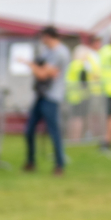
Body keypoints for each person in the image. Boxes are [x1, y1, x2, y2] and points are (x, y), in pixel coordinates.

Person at [24, 27, 70, 175]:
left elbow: (42, 74)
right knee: (29, 130)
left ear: (48, 36)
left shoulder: (61, 53)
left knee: (53, 131)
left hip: (52, 97)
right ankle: (30, 162)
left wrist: (30, 65)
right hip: (41, 95)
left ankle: (59, 165)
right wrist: (38, 68)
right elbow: (42, 71)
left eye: (43, 37)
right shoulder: (47, 51)